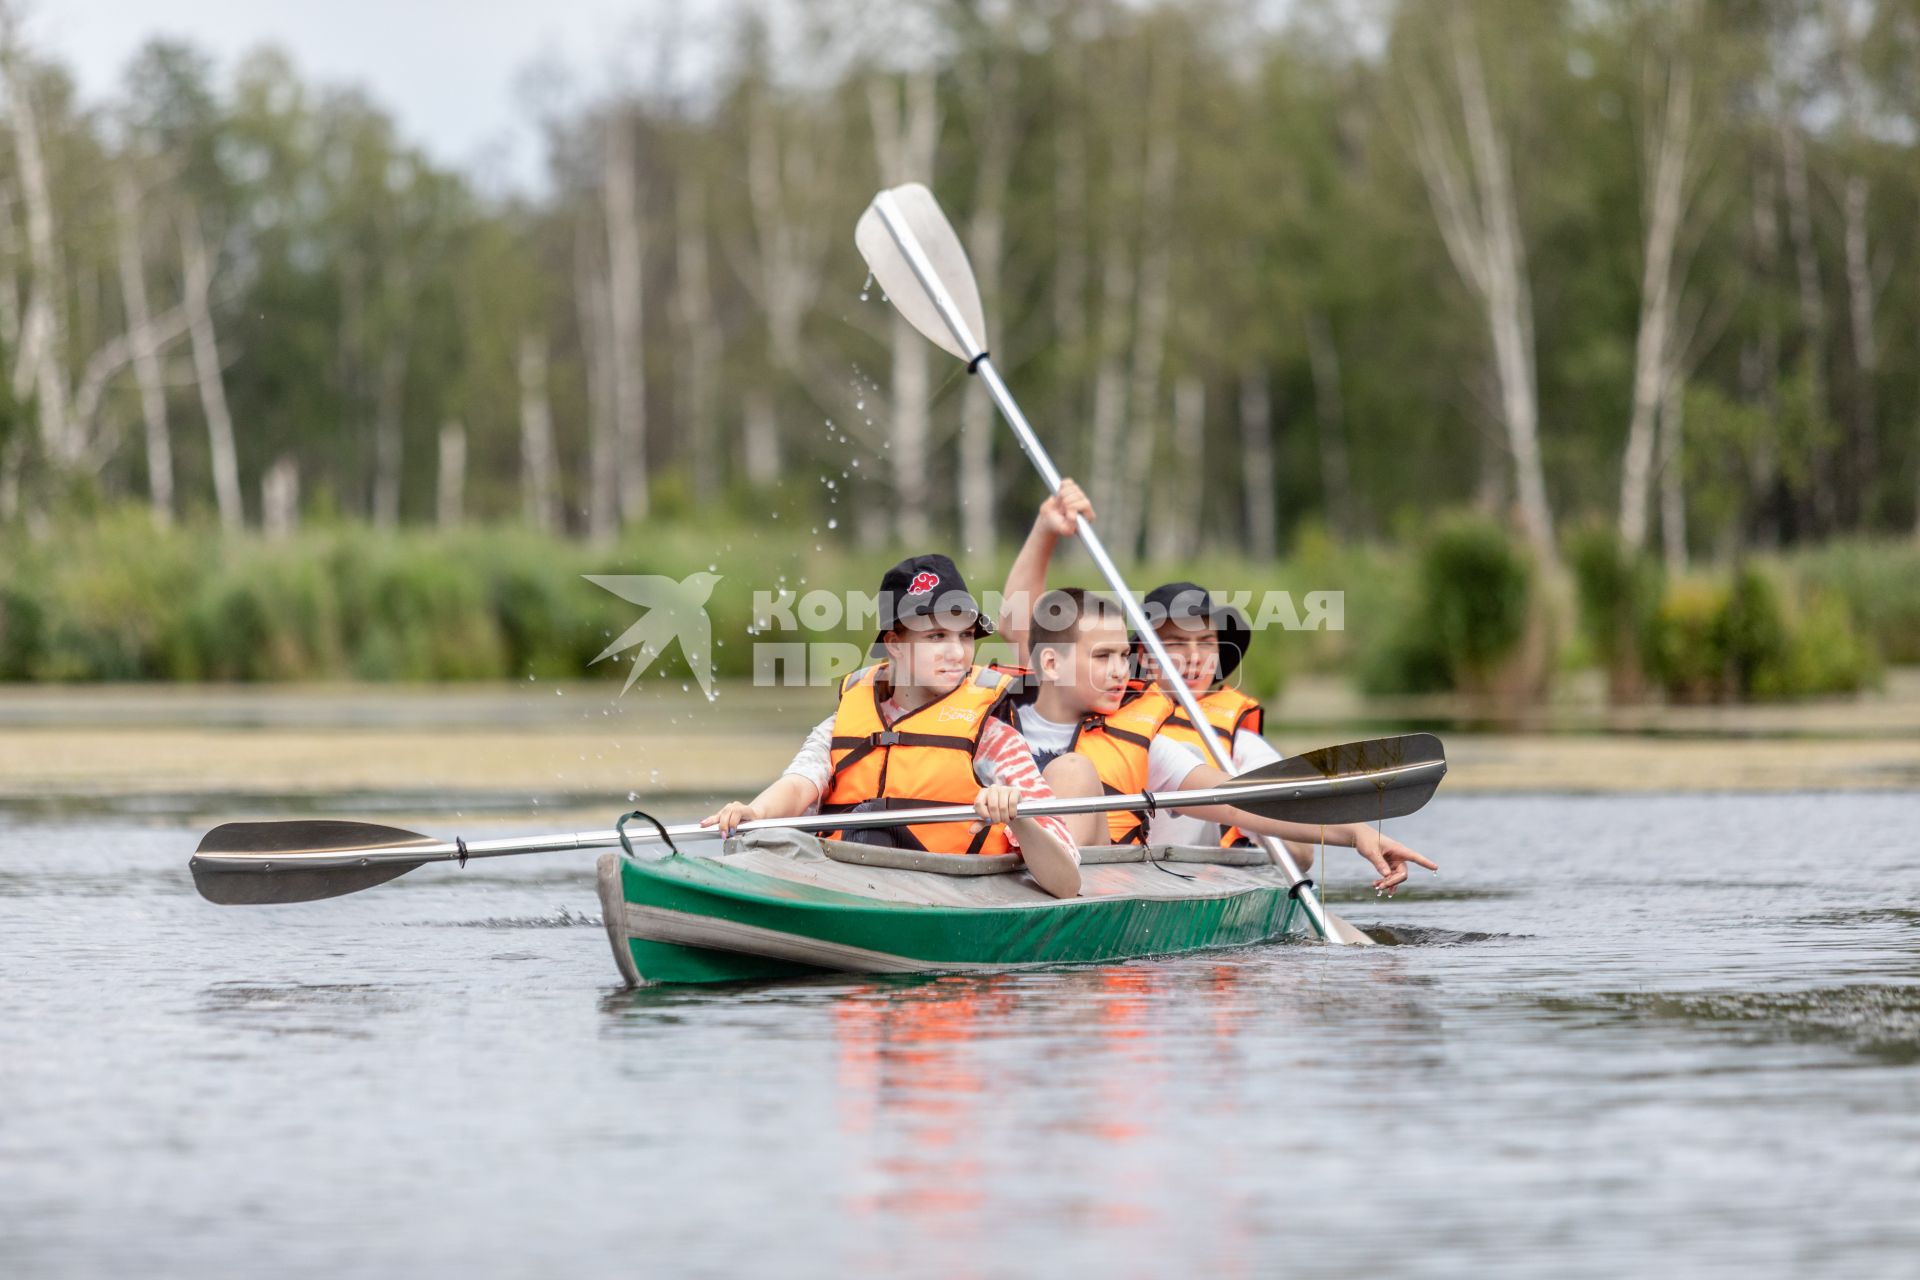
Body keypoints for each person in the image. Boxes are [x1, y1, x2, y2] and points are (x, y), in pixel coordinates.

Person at [999, 495, 1436, 893]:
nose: (1189, 659)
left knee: (1073, 770)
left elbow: (1240, 802)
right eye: (1173, 644)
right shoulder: (999, 717)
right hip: (1001, 879)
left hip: (1106, 881)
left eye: (1204, 643)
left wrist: (1355, 832)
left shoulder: (1147, 740)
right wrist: (1046, 528)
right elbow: (1021, 623)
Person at [701, 554, 1083, 899]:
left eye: (965, 636)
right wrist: (756, 812)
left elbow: (1067, 884)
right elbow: (801, 782)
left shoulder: (993, 739)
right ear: (895, 644)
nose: (957, 652)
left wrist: (1020, 817)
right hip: (850, 883)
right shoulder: (843, 722)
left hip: (948, 895)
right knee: (793, 833)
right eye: (936, 636)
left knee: (872, 827)